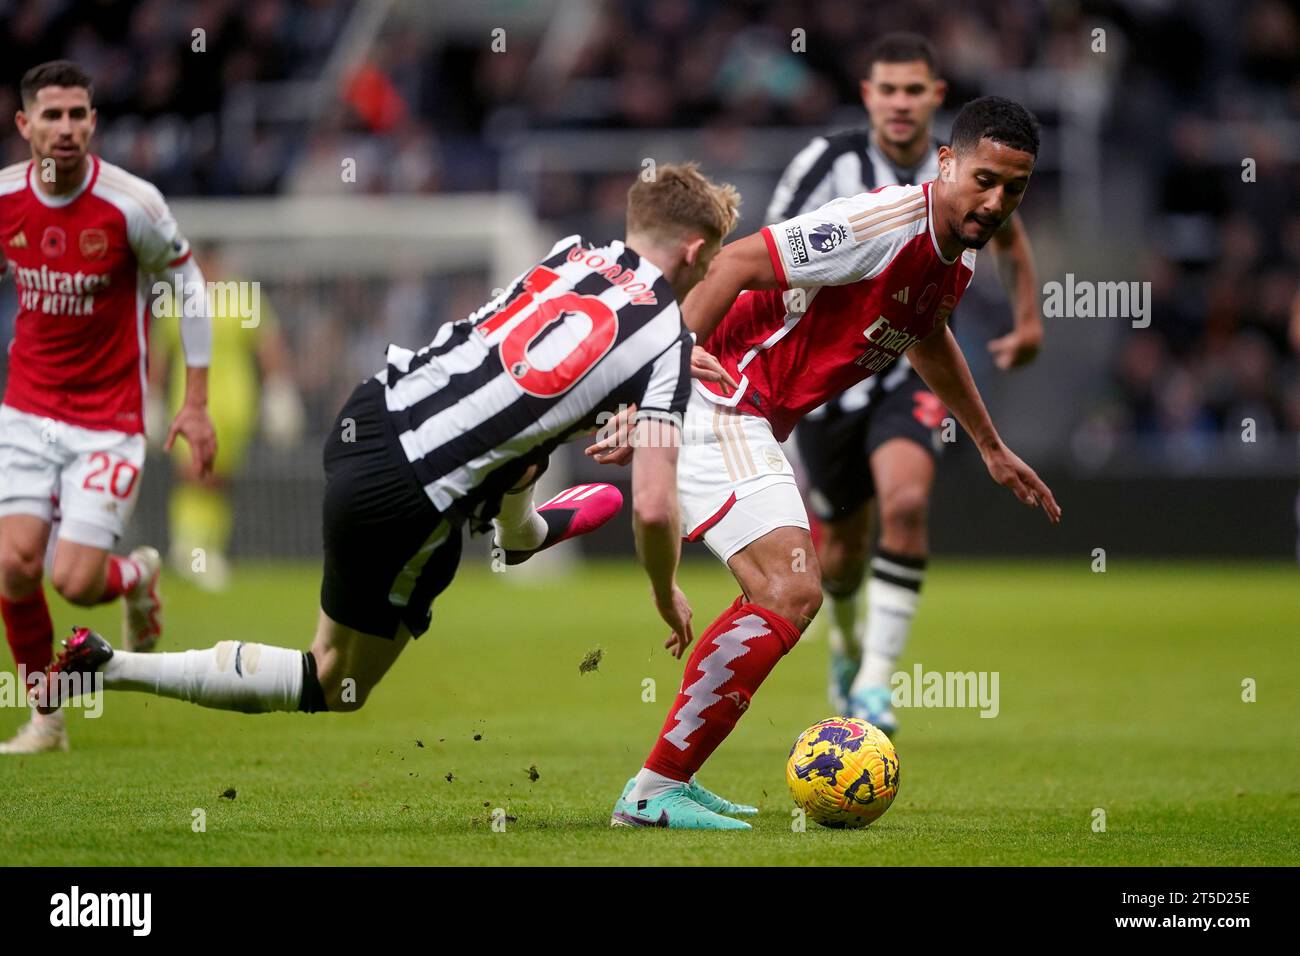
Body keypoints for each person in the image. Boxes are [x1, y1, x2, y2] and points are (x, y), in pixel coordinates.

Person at [44, 164, 750, 824]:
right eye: (713, 260)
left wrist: (610, 409)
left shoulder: (567, 254)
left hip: (370, 415)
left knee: (515, 460)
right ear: (694, 251)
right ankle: (112, 667)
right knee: (334, 680)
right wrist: (665, 588)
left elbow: (521, 376)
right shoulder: (665, 339)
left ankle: (523, 531)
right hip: (413, 494)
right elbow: (653, 507)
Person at [591, 97, 1060, 830]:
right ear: (945, 164)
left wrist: (990, 445)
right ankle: (653, 791)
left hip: (751, 414)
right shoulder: (879, 224)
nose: (996, 200)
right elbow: (738, 261)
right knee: (792, 590)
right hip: (726, 396)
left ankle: (663, 780)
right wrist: (659, 386)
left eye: (1015, 188)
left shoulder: (958, 250)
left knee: (777, 594)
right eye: (984, 179)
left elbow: (926, 331)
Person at [770, 33, 1044, 728]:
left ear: (934, 97)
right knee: (841, 553)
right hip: (833, 377)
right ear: (868, 95)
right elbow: (773, 249)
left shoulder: (976, 168)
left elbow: (1008, 235)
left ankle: (875, 684)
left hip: (912, 360)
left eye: (912, 89)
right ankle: (849, 643)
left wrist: (1029, 317)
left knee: (907, 501)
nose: (899, 102)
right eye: (886, 88)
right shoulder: (828, 164)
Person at [0, 61, 216, 754]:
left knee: (75, 581)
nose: (66, 128)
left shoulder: (132, 203)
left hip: (108, 421)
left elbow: (190, 285)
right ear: (24, 124)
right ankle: (47, 720)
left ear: (93, 122)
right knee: (13, 566)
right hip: (26, 410)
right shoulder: (3, 199)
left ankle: (136, 576)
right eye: (52, 115)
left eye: (78, 115)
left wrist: (197, 403)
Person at [149, 245, 304, 591]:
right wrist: (154, 397)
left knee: (218, 479)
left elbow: (268, 344)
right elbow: (160, 351)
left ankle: (207, 550)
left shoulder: (243, 297)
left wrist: (280, 390)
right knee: (193, 474)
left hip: (235, 408)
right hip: (189, 403)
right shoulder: (178, 301)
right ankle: (189, 547)